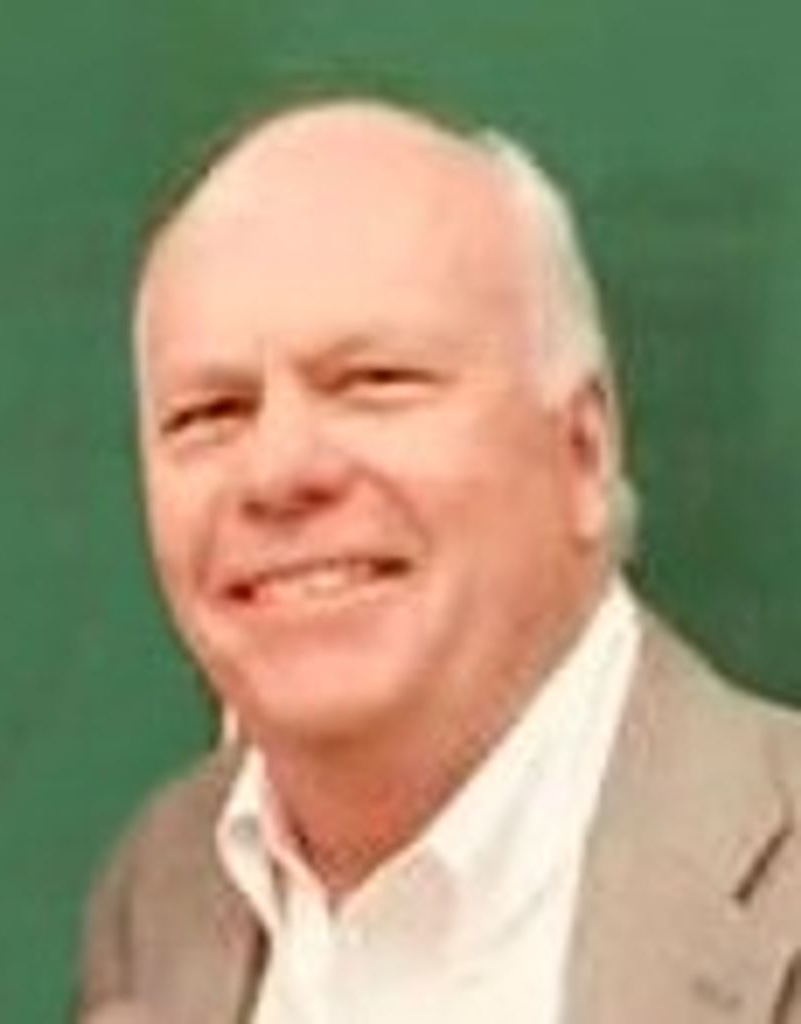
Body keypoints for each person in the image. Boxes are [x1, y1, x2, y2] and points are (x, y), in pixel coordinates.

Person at [78, 98, 801, 1024]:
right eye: (210, 412)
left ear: (582, 451)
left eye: (373, 382)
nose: (279, 471)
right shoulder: (160, 896)